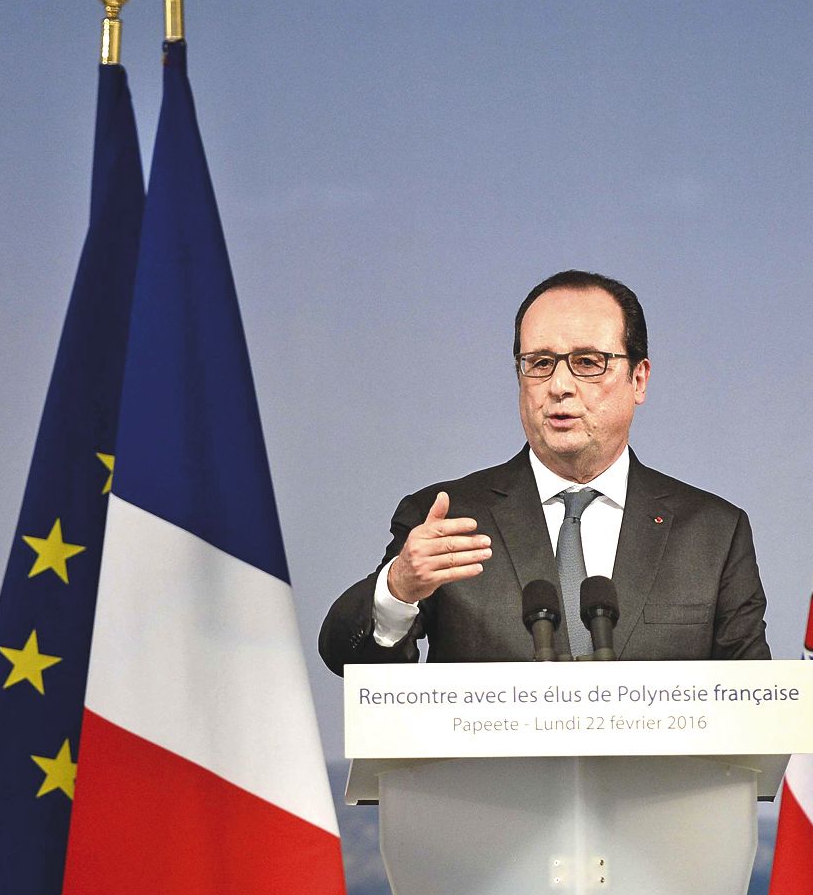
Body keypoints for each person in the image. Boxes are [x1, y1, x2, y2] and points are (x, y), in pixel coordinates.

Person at [318, 270, 769, 672]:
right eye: (540, 363)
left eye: (588, 363)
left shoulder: (712, 532)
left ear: (639, 379)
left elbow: (755, 709)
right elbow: (350, 661)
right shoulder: (447, 519)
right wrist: (397, 589)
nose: (559, 386)